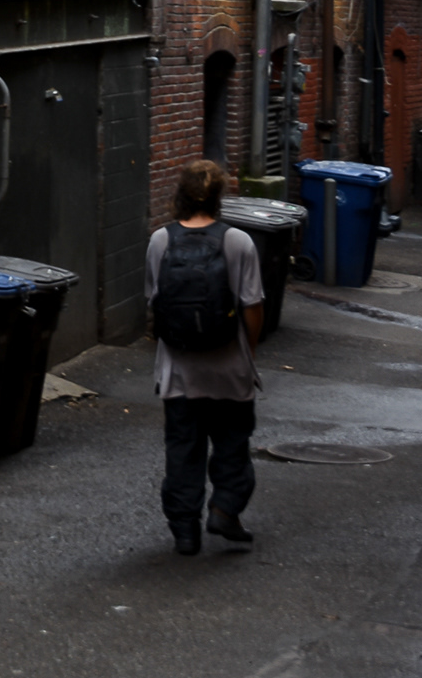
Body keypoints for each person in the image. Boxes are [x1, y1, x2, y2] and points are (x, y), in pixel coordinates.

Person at [144, 158, 265, 555]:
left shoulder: (161, 240)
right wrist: (248, 350)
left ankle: (185, 531)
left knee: (183, 450)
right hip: (230, 370)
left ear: (178, 194)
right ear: (219, 198)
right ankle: (224, 509)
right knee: (232, 445)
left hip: (180, 372)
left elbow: (154, 303)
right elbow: (252, 306)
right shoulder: (239, 242)